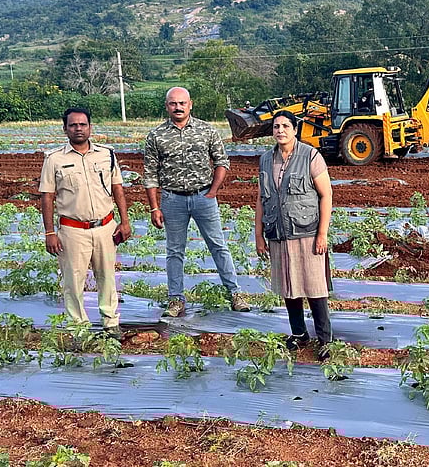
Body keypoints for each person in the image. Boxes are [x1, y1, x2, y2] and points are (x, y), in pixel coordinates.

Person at [143, 87, 250, 317]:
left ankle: (235, 293)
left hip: (203, 197)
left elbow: (222, 162)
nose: (178, 107)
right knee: (174, 251)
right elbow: (150, 174)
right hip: (172, 199)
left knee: (218, 245)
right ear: (167, 106)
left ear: (190, 104)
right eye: (173, 103)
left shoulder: (206, 130)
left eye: (182, 103)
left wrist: (212, 191)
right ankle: (175, 300)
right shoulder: (156, 136)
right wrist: (154, 207)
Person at [39, 107, 132, 335]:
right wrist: (50, 232)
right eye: (73, 125)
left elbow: (117, 188)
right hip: (72, 230)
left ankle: (111, 323)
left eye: (82, 125)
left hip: (105, 227)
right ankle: (78, 328)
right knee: (73, 282)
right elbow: (47, 196)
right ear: (65, 129)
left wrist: (124, 220)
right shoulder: (54, 159)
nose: (78, 129)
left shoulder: (107, 154)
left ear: (90, 127)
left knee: (108, 278)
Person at [254, 109, 334, 358]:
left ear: (295, 129)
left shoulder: (310, 156)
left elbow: (326, 195)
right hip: (278, 232)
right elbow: (260, 198)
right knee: (289, 285)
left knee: (314, 286)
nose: (280, 131)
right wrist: (259, 234)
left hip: (307, 232)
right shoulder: (266, 159)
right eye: (276, 127)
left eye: (285, 126)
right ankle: (299, 333)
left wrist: (322, 234)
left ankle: (325, 340)